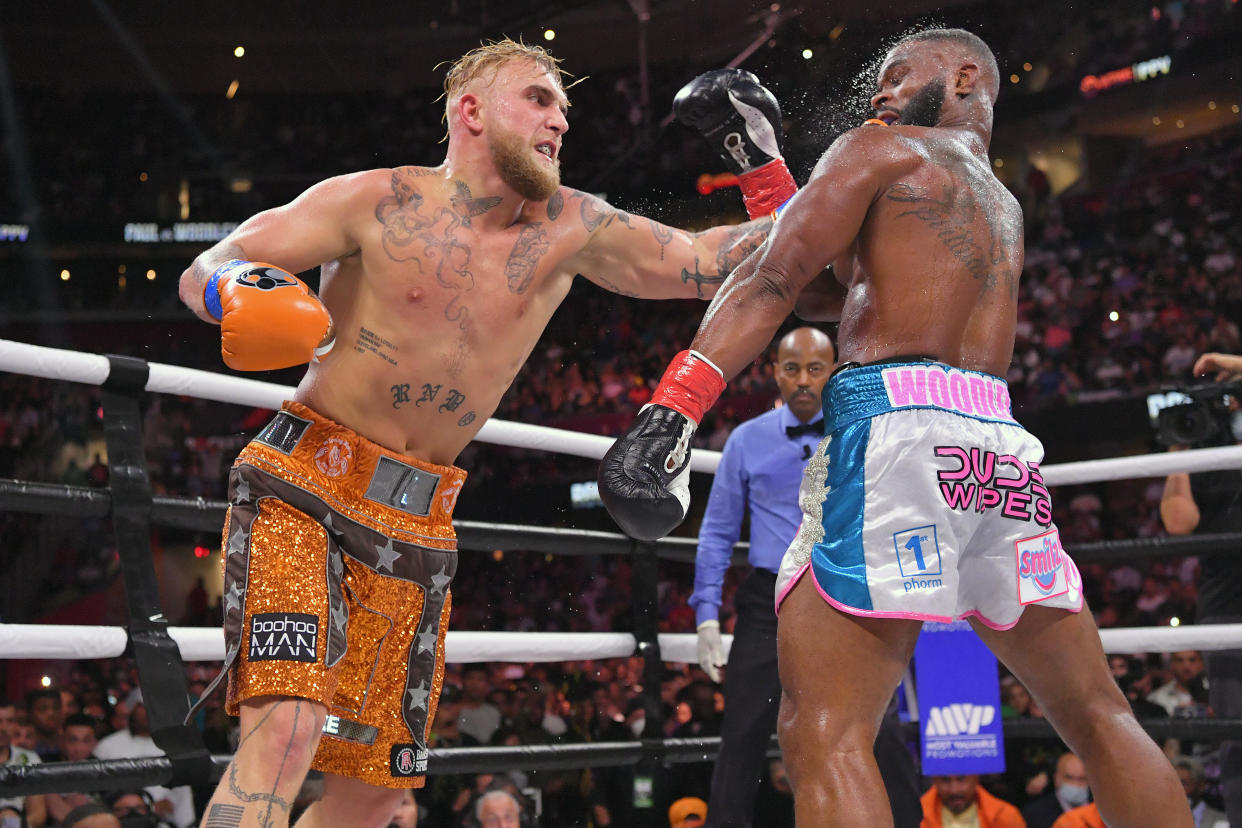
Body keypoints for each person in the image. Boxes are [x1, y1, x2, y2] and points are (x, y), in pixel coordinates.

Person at [177, 38, 786, 828]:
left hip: (419, 520)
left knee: (373, 792)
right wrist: (238, 288)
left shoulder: (575, 226)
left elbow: (713, 261)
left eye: (565, 108)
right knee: (286, 731)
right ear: (470, 110)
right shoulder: (376, 200)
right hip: (304, 491)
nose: (560, 119)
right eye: (539, 98)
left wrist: (762, 162)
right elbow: (211, 262)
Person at [599, 27, 1193, 827]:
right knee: (1096, 711)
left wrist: (672, 408)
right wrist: (762, 161)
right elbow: (832, 290)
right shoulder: (998, 199)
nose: (878, 93)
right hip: (998, 451)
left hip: (897, 433)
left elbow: (776, 273)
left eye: (894, 74)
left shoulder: (881, 150)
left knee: (825, 732)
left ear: (961, 74)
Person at [690, 326, 920, 827]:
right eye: (791, 368)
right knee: (742, 733)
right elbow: (717, 531)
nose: (802, 380)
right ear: (775, 371)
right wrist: (706, 616)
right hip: (767, 602)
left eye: (815, 368)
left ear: (832, 372)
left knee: (880, 726)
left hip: (847, 591)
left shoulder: (864, 430)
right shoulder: (745, 441)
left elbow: (892, 512)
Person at [92, 704, 193, 828]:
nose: (145, 713)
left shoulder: (175, 746)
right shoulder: (107, 746)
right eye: (140, 706)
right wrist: (148, 808)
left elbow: (183, 794)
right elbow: (99, 793)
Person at [0, 699, 46, 828]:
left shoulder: (29, 758)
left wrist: (15, 824)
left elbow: (38, 813)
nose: (3, 728)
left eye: (9, 721)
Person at [919, 775, 1025, 828]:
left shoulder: (1006, 817)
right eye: (945, 780)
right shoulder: (915, 818)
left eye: (961, 779)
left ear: (976, 778)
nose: (954, 790)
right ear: (934, 781)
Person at [1020, 752, 1090, 828]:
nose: (1076, 784)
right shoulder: (1033, 814)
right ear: (1056, 777)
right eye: (1069, 777)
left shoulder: (1101, 811)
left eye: (1082, 779)